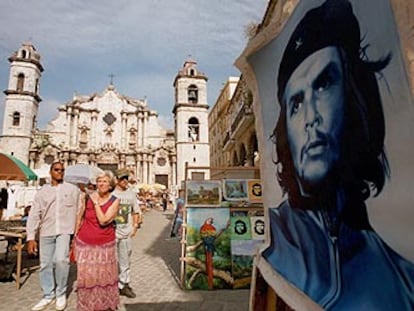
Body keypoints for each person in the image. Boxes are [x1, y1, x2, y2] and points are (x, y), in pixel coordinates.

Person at [263, 0, 414, 309]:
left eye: (324, 85)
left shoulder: (404, 279)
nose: (310, 117)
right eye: (296, 103)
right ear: (284, 135)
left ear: (356, 99)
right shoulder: (272, 241)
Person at [26, 160, 80, 311]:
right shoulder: (42, 192)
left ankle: (61, 292)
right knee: (45, 264)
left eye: (62, 170)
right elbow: (34, 215)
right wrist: (31, 237)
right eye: (56, 170)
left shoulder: (72, 190)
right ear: (51, 172)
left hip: (64, 230)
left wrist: (76, 233)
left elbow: (78, 210)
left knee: (62, 260)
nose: (60, 172)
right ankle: (48, 294)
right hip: (46, 231)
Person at [74, 170, 120, 311]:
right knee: (86, 275)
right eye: (99, 181)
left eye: (105, 181)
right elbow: (79, 216)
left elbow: (104, 220)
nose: (101, 184)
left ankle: (104, 304)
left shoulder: (115, 200)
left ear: (110, 184)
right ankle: (87, 304)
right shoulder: (87, 197)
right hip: (84, 243)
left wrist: (96, 203)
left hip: (105, 244)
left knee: (104, 275)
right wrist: (75, 235)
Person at [112, 168, 140, 298]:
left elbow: (136, 211)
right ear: (117, 180)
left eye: (126, 178)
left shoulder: (131, 194)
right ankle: (110, 284)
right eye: (122, 178)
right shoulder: (111, 193)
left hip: (126, 232)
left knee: (125, 259)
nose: (125, 181)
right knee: (110, 259)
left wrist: (134, 227)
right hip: (111, 232)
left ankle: (124, 284)